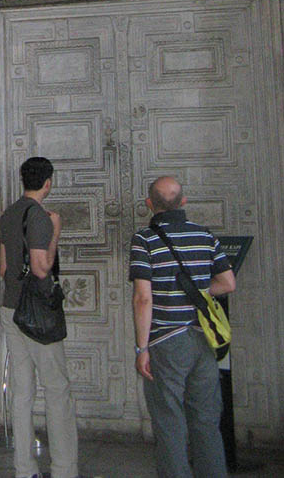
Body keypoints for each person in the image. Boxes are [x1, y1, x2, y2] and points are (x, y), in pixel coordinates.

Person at [129, 175, 236, 478]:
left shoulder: (144, 239)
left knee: (170, 425)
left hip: (165, 341)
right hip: (203, 339)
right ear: (184, 202)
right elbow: (228, 283)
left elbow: (142, 298)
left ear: (150, 204)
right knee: (206, 423)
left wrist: (142, 347)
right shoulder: (205, 235)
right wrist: (199, 291)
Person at [0, 157, 79, 478]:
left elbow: (4, 270)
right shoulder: (41, 218)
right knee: (57, 391)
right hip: (38, 313)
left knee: (22, 393)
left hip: (10, 307)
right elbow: (41, 267)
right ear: (48, 182)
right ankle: (63, 470)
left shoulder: (8, 214)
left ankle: (24, 469)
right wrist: (56, 232)